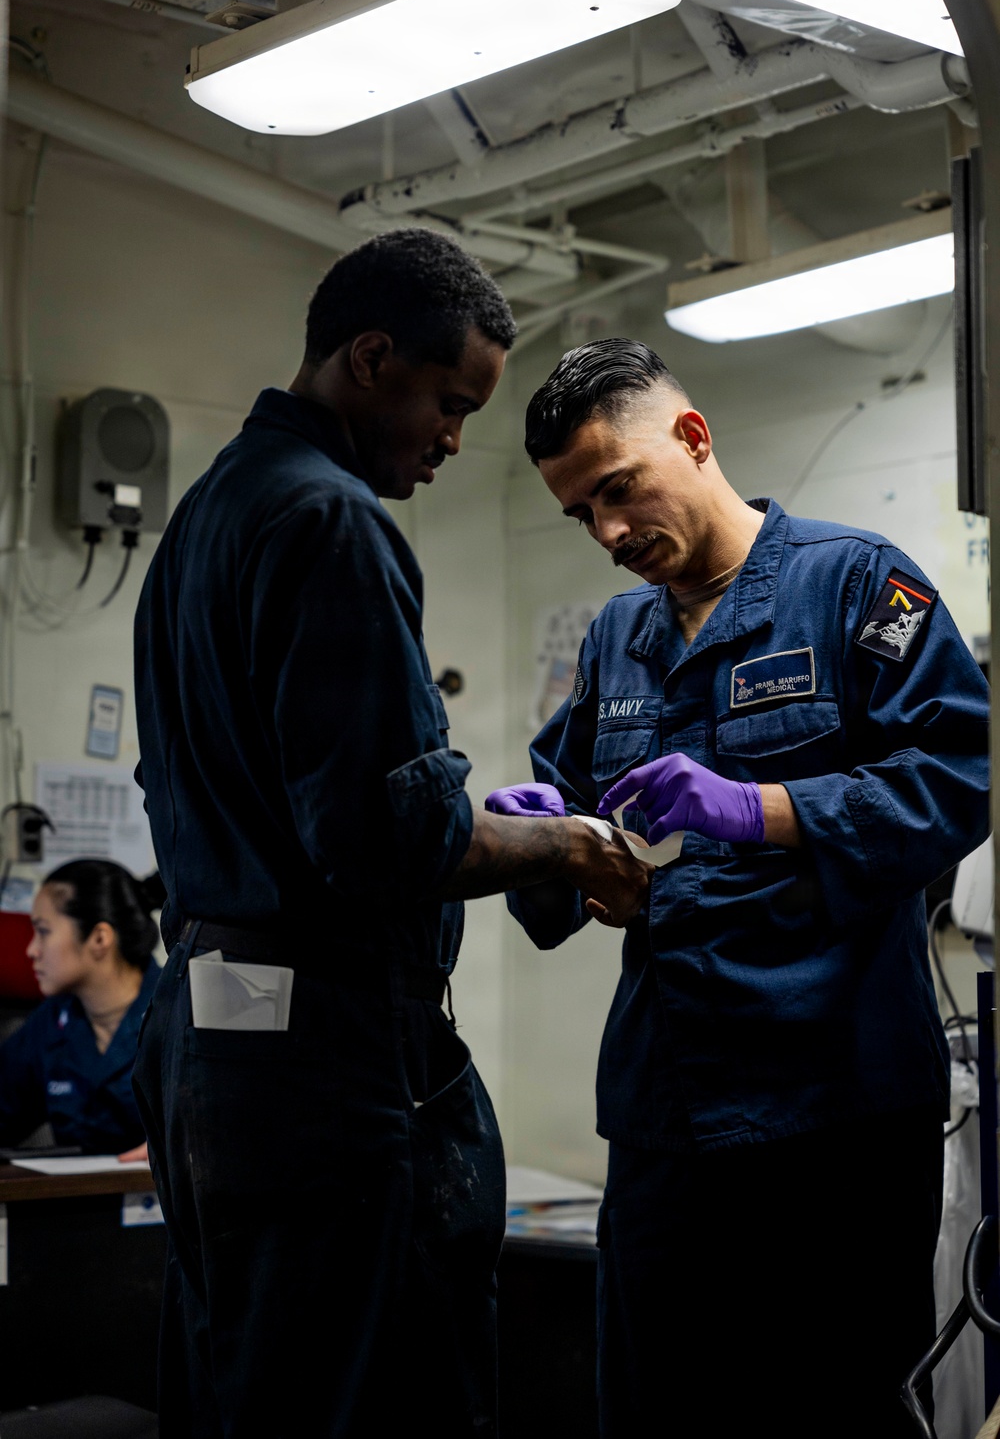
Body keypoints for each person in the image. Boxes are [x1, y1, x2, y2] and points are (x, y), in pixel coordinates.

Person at [131, 230, 647, 1439]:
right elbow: (383, 840)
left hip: (215, 1033)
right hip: (327, 1059)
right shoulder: (333, 522)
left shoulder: (209, 515)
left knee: (248, 1386)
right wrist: (570, 845)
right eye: (450, 403)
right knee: (376, 1396)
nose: (455, 440)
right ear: (372, 359)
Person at [489, 337, 990, 1438]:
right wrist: (544, 835)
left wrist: (758, 808)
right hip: (671, 1112)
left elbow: (958, 782)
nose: (608, 533)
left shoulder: (859, 583)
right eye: (581, 514)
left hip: (836, 1112)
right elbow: (568, 808)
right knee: (659, 1408)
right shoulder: (617, 638)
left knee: (832, 1409)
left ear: (693, 437)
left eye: (616, 490)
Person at [0, 860, 162, 1156]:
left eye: (44, 931)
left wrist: (177, 1147)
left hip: (159, 1196)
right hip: (75, 1197)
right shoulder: (54, 1019)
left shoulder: (176, 1012)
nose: (31, 950)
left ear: (99, 938)